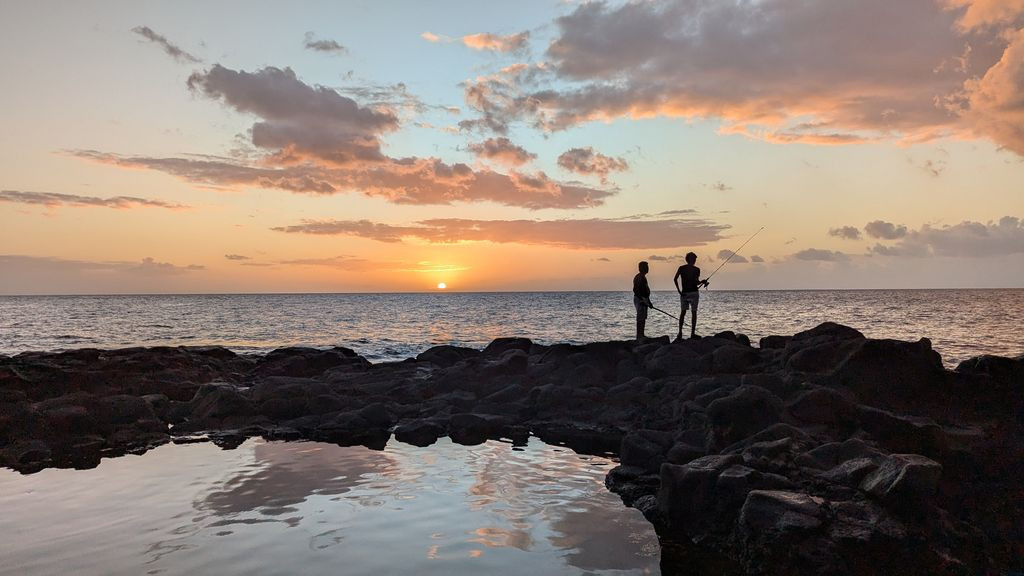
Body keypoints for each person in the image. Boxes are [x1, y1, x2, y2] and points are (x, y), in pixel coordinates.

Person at [673, 252, 709, 340]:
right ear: (690, 259)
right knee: (693, 313)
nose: (695, 260)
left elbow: (675, 279)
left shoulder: (682, 268)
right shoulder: (696, 269)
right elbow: (696, 282)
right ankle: (692, 334)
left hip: (684, 293)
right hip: (693, 293)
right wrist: (702, 282)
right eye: (694, 259)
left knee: (683, 312)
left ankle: (680, 333)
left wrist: (679, 291)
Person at [632, 261, 653, 341]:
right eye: (646, 267)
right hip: (640, 300)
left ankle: (642, 334)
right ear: (641, 268)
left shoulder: (643, 277)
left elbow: (645, 292)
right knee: (640, 318)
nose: (648, 268)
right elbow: (635, 289)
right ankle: (639, 335)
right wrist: (642, 300)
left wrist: (648, 302)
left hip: (644, 300)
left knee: (643, 317)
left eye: (647, 267)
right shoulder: (639, 277)